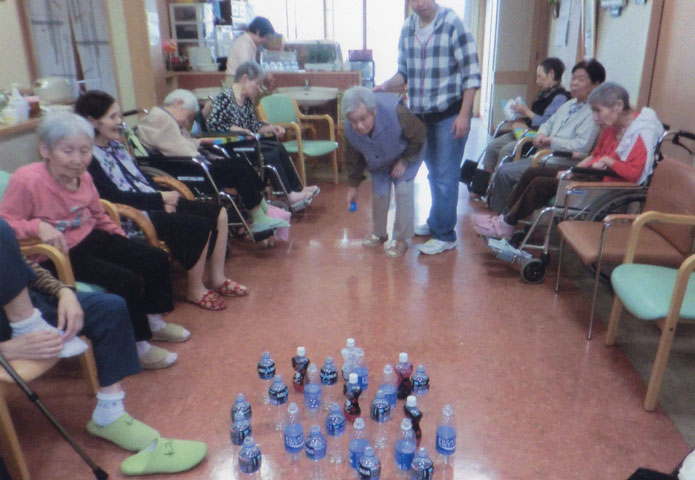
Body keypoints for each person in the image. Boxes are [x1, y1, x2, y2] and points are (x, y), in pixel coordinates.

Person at [0, 218, 207, 476]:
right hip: (7, 335)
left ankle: (109, 414)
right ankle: (28, 325)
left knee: (110, 308)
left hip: (26, 303)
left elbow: (21, 266)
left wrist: (64, 292)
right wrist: (7, 350)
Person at [0, 112, 182, 370]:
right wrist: (37, 226)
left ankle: (154, 321)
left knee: (155, 258)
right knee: (125, 279)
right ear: (45, 150)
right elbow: (5, 226)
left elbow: (97, 213)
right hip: (59, 254)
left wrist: (118, 236)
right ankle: (138, 345)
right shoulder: (27, 180)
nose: (78, 159)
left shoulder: (84, 176)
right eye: (67, 151)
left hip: (92, 237)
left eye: (85, 151)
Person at [74, 90, 248, 312]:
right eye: (113, 117)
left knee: (218, 213)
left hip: (151, 200)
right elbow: (113, 197)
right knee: (198, 225)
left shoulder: (115, 146)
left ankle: (217, 278)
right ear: (92, 121)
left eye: (119, 115)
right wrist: (159, 199)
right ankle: (195, 289)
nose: (119, 122)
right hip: (131, 213)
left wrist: (163, 195)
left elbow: (140, 177)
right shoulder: (89, 157)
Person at [474, 82, 664, 239]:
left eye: (598, 111)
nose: (595, 118)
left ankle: (507, 223)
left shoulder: (640, 133)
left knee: (541, 184)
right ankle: (505, 218)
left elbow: (635, 174)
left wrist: (608, 162)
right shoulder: (611, 128)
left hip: (605, 187)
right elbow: (594, 155)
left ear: (618, 106)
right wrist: (573, 171)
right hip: (589, 174)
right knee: (533, 172)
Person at [375, 0, 481, 255]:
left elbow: (471, 74)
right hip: (421, 116)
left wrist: (464, 115)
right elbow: (404, 73)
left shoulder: (453, 23)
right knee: (433, 173)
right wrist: (385, 86)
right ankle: (436, 222)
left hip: (450, 113)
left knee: (446, 174)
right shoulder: (408, 28)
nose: (420, 4)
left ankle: (445, 235)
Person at [131, 89, 289, 234]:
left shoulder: (167, 119)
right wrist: (207, 158)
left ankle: (263, 210)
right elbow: (178, 149)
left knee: (240, 162)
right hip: (185, 170)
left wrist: (207, 152)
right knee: (237, 168)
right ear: (178, 103)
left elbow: (182, 143)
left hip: (187, 165)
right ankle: (260, 216)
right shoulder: (161, 119)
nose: (187, 121)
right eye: (189, 115)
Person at [487, 59, 606, 214]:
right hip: (545, 156)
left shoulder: (593, 113)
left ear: (596, 84)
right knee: (504, 167)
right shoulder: (569, 104)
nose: (574, 83)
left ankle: (501, 215)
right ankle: (502, 215)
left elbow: (581, 145)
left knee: (506, 173)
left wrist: (551, 140)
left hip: (561, 161)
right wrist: (541, 134)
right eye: (573, 78)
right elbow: (547, 123)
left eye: (581, 79)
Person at [208, 61, 320, 206]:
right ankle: (288, 194)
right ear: (245, 79)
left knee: (278, 147)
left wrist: (271, 128)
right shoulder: (224, 97)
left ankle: (296, 189)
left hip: (247, 143)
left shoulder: (246, 101)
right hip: (232, 146)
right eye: (257, 83)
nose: (259, 88)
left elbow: (253, 125)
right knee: (270, 153)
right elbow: (213, 125)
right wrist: (238, 129)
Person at [343, 87, 426, 258]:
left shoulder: (396, 112)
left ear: (374, 111)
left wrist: (404, 162)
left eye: (363, 119)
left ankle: (401, 239)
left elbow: (419, 134)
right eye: (353, 121)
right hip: (378, 160)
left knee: (403, 190)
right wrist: (353, 186)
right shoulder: (349, 130)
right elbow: (354, 158)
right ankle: (379, 233)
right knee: (379, 194)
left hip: (405, 152)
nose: (359, 126)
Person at [481, 57, 569, 173]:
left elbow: (546, 122)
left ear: (551, 74)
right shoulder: (544, 94)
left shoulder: (560, 97)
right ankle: (484, 181)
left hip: (537, 136)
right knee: (492, 146)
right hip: (525, 130)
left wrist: (525, 111)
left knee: (506, 150)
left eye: (540, 77)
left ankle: (498, 180)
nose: (537, 81)